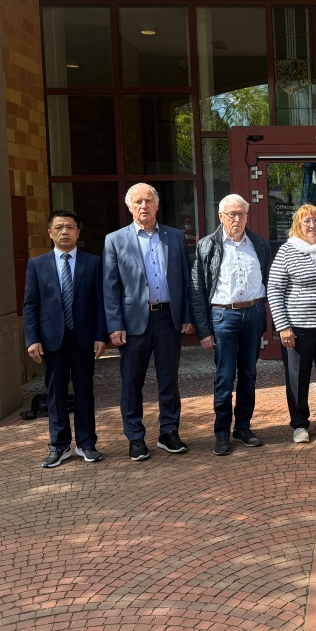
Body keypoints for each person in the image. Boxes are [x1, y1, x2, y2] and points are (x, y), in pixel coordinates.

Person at [103, 183, 194, 462]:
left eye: (148, 201)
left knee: (169, 380)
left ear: (157, 205)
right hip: (132, 323)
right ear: (130, 207)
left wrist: (188, 317)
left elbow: (186, 282)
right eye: (138, 202)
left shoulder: (175, 237)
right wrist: (114, 325)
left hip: (168, 318)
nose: (144, 206)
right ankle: (135, 437)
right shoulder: (115, 240)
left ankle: (169, 432)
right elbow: (110, 287)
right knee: (132, 381)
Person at [23, 209, 108, 468]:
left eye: (70, 227)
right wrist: (32, 339)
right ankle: (59, 446)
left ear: (78, 232)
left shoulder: (93, 263)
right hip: (52, 341)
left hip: (83, 338)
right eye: (59, 227)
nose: (64, 231)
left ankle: (86, 443)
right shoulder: (37, 265)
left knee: (84, 392)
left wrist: (100, 336)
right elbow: (30, 305)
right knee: (56, 394)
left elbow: (100, 302)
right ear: (50, 233)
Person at [191, 194, 272, 456]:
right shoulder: (207, 246)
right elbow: (198, 289)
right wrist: (204, 330)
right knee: (225, 376)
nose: (237, 219)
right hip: (223, 317)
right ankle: (222, 432)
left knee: (248, 374)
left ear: (248, 216)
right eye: (232, 214)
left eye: (242, 214)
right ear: (221, 216)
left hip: (253, 314)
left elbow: (269, 281)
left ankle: (244, 427)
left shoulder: (259, 244)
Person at [267, 203, 316, 445]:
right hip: (297, 328)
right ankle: (299, 424)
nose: (311, 225)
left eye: (315, 220)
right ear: (298, 226)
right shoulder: (287, 251)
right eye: (306, 221)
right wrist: (283, 326)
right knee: (297, 378)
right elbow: (274, 288)